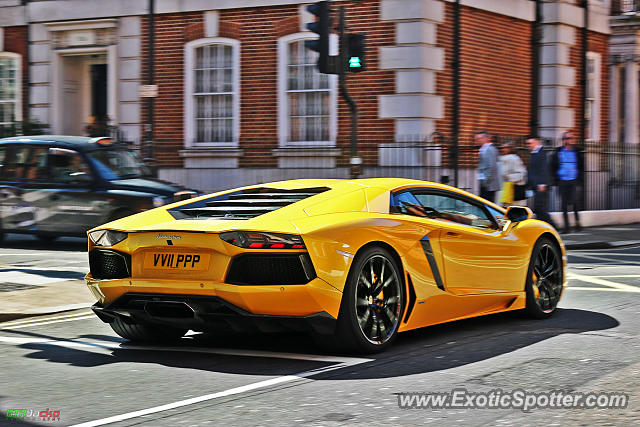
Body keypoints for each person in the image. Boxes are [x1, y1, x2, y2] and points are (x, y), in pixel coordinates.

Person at [551, 131, 584, 233]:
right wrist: (555, 178)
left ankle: (577, 223)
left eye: (570, 138)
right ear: (563, 140)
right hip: (562, 180)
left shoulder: (577, 151)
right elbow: (553, 165)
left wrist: (580, 179)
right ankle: (566, 227)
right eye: (567, 138)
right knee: (564, 204)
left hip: (573, 180)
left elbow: (581, 166)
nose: (569, 140)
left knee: (574, 202)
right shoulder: (558, 151)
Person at [526, 136, 556, 228]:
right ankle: (543, 228)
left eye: (530, 143)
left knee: (541, 208)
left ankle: (553, 227)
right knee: (538, 208)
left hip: (541, 186)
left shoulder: (542, 153)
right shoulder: (534, 153)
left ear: (537, 142)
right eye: (527, 144)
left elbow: (544, 169)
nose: (528, 145)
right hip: (536, 185)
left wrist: (542, 183)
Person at [498, 141, 527, 207]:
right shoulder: (500, 159)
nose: (503, 149)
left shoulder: (515, 159)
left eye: (505, 147)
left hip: (513, 190)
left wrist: (508, 177)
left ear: (510, 148)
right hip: (503, 190)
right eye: (501, 147)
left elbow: (521, 174)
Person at [475, 130, 500, 202]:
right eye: (477, 139)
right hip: (485, 181)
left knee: (488, 203)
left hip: (489, 184)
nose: (478, 140)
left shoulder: (490, 149)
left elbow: (491, 166)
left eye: (480, 138)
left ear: (487, 138)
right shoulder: (484, 149)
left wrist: (486, 181)